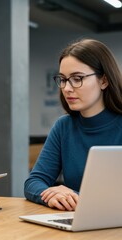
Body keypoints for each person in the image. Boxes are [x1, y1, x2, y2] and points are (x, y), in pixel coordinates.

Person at [24, 38, 122, 211]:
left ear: (104, 81)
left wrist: (73, 196)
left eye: (77, 79)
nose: (67, 88)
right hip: (77, 225)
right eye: (62, 79)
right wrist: (52, 195)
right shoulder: (63, 127)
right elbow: (34, 182)